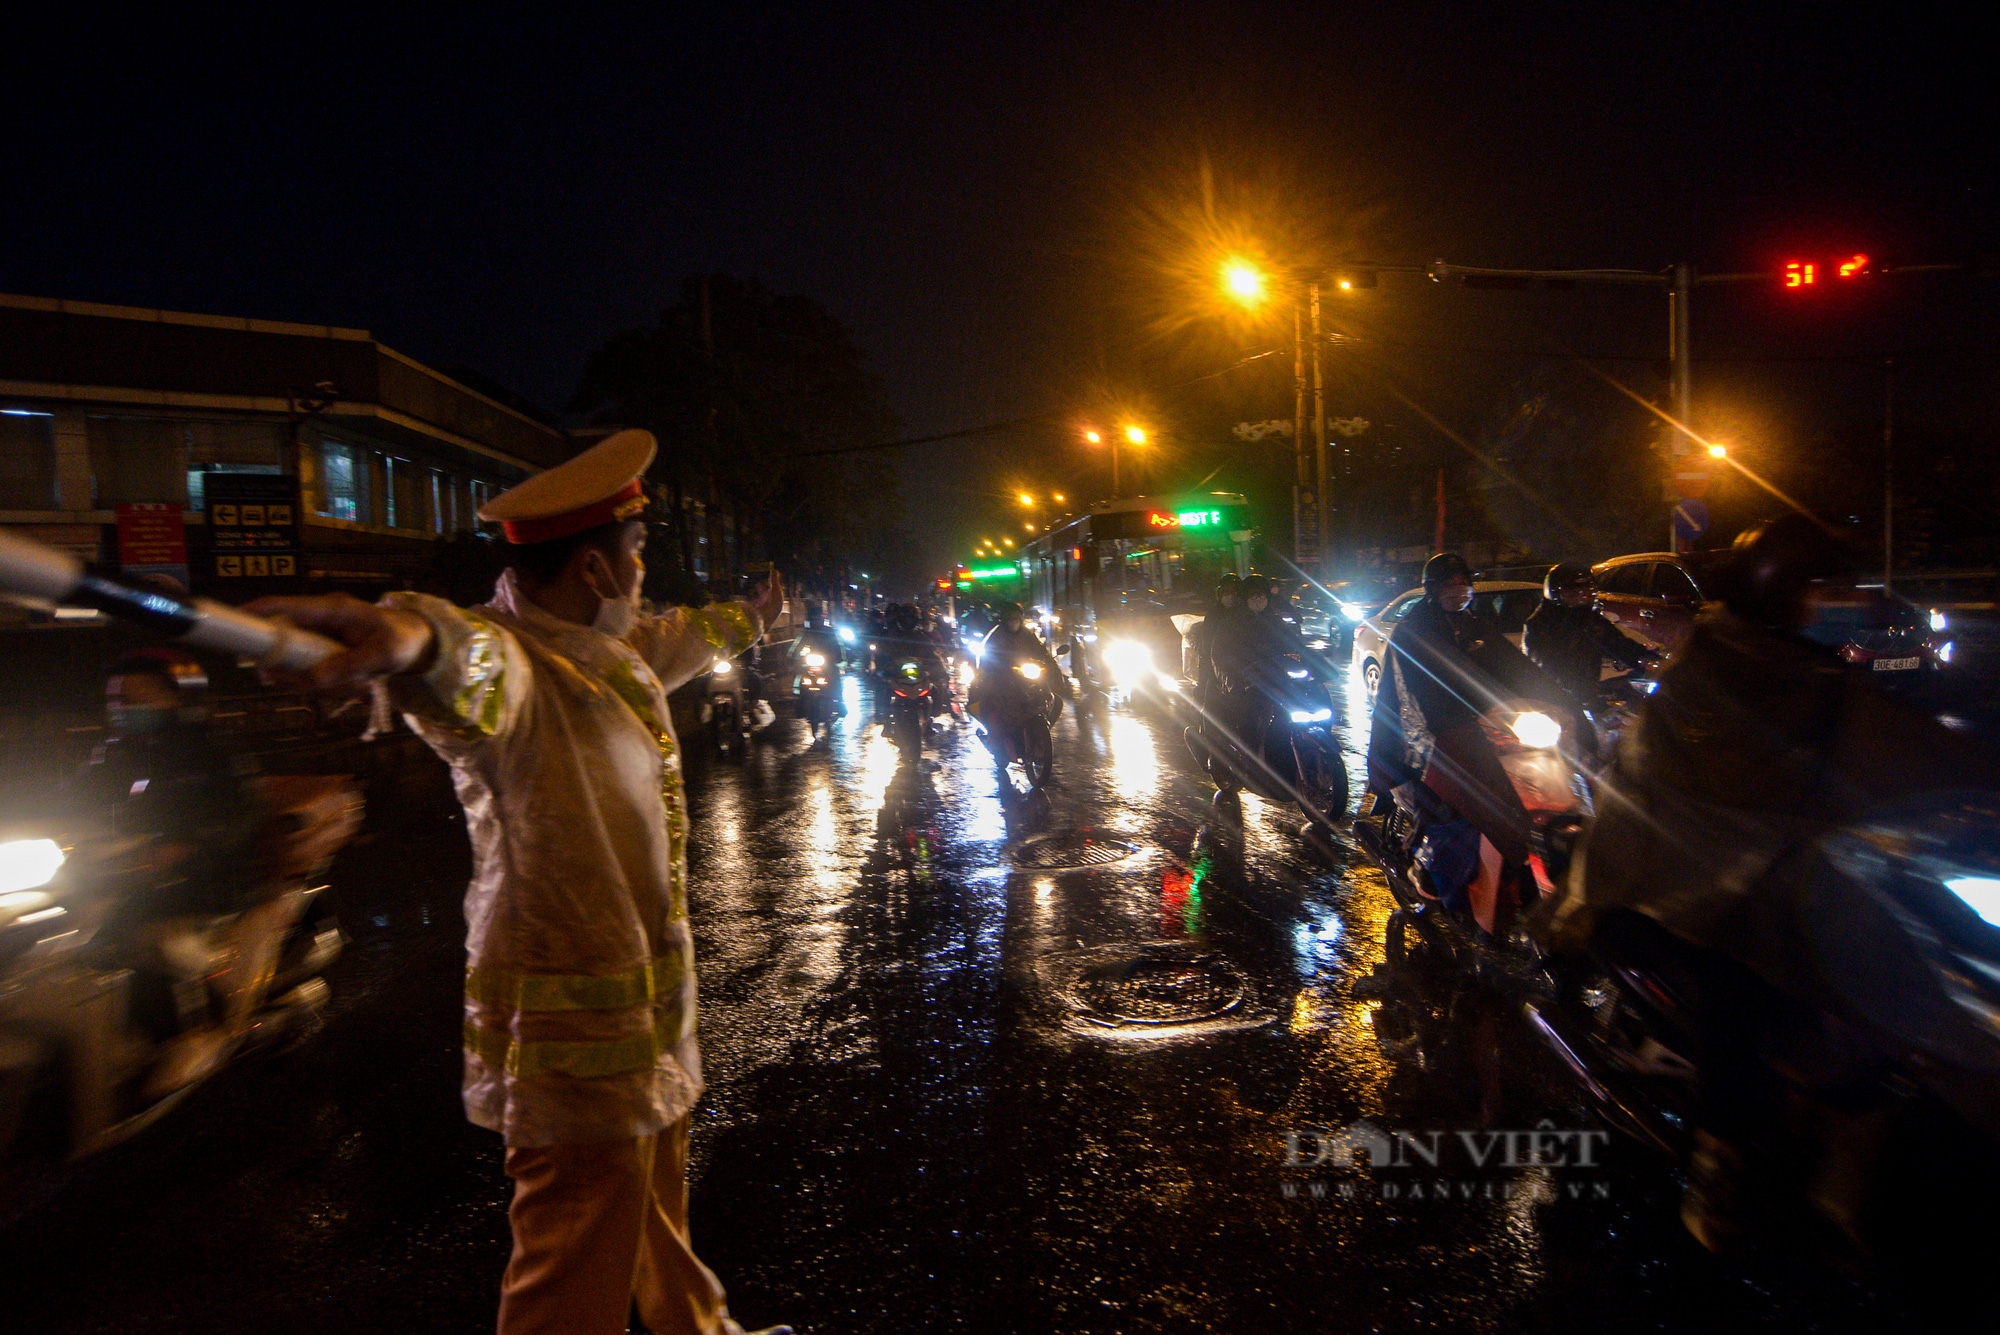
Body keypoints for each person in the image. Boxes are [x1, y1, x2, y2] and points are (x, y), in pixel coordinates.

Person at [248, 430, 789, 1335]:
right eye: (638, 555)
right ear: (594, 567)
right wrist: (407, 634)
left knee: (657, 1202)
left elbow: (680, 637)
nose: (645, 572)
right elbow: (457, 654)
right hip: (574, 1058)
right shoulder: (517, 668)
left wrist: (759, 614)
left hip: (645, 1032)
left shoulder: (603, 652)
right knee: (570, 1267)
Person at [1539, 514, 2000, 1250]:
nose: (1837, 603)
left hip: (1814, 877)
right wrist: (1585, 899)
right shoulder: (1715, 677)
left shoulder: (1808, 674)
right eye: (1824, 590)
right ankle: (1719, 1164)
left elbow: (1909, 746)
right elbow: (1637, 794)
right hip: (1706, 897)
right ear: (1782, 595)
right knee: (1744, 997)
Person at [1365, 553, 1556, 914]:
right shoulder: (1413, 631)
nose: (1460, 590)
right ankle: (1425, 869)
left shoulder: (1475, 626)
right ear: (1433, 589)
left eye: (1464, 582)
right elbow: (1412, 696)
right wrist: (1456, 721)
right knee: (1455, 807)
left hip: (1476, 728)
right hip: (1418, 735)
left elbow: (1514, 666)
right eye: (1451, 584)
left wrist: (1558, 699)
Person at [1521, 563, 1655, 757]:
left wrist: (1649, 660)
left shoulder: (1590, 620)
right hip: (1556, 703)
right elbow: (1544, 666)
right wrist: (1577, 687)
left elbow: (1619, 644)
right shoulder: (1540, 625)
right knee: (1583, 748)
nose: (1583, 596)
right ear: (1555, 593)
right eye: (1574, 591)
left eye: (1587, 590)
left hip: (1589, 695)